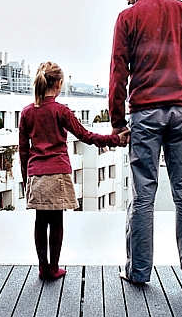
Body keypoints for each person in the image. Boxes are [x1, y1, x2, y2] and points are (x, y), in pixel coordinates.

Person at [109, 0, 182, 287]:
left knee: (143, 195)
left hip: (146, 112)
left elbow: (118, 71)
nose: (126, 0)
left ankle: (139, 272)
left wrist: (117, 122)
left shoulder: (128, 18)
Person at [20, 61, 128, 280]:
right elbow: (86, 136)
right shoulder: (61, 111)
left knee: (40, 222)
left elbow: (23, 152)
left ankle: (43, 268)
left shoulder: (27, 113)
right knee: (56, 221)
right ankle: (54, 268)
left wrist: (26, 179)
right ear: (59, 84)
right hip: (57, 173)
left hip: (36, 174)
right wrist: (115, 139)